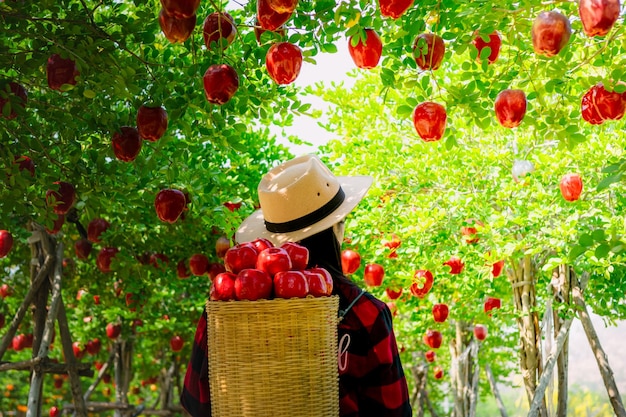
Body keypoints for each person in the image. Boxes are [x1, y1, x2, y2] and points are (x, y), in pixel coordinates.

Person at [181, 154, 412, 417]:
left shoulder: (228, 305)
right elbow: (393, 411)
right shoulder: (365, 313)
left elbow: (195, 401)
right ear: (338, 228)